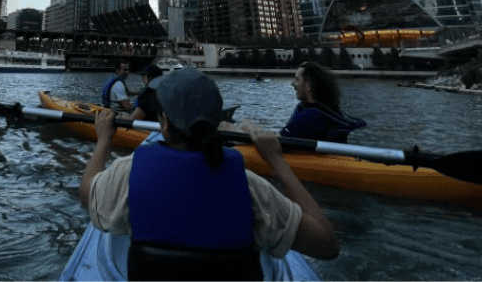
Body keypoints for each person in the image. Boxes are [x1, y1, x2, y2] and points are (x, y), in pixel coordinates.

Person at [80, 67, 339, 280]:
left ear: (164, 123)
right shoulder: (251, 188)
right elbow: (327, 245)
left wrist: (104, 140)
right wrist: (277, 161)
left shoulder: (129, 172)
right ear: (217, 122)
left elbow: (87, 194)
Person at [280, 62, 365, 143]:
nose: (292, 83)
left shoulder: (310, 115)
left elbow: (280, 140)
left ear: (308, 85)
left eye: (297, 79)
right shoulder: (330, 111)